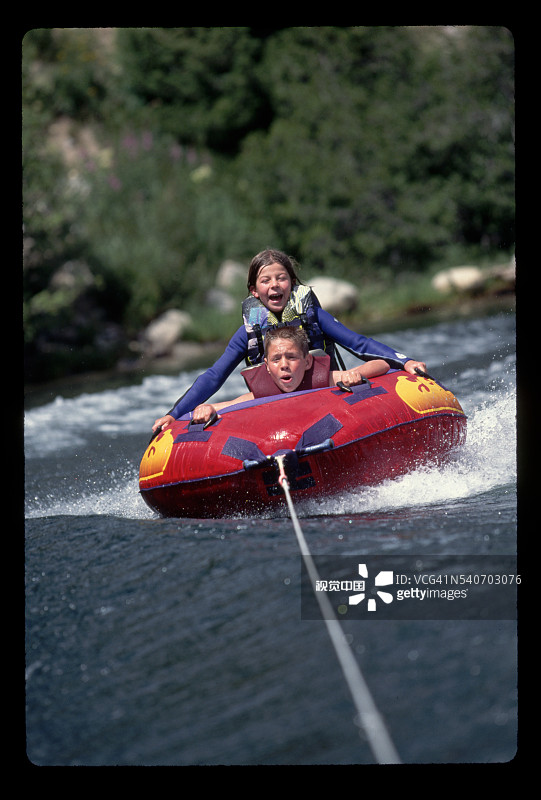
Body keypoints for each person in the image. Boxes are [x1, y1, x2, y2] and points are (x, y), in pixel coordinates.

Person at [152, 248, 427, 432]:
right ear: (254, 291)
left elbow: (359, 344)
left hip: (323, 394)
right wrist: (175, 414)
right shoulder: (249, 332)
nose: (274, 285)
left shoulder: (313, 316)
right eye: (266, 280)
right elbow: (214, 376)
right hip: (272, 407)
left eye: (281, 278)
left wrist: (404, 362)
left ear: (292, 284)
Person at [190, 326, 390, 425]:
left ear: (307, 361)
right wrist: (206, 408)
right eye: (276, 360)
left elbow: (381, 364)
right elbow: (225, 406)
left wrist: (355, 374)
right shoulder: (264, 393)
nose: (284, 365)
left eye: (291, 357)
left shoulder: (320, 380)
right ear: (267, 367)